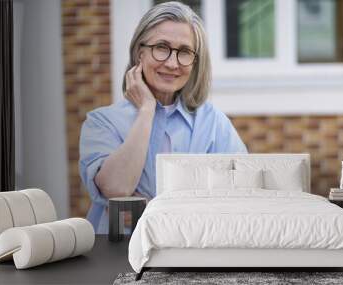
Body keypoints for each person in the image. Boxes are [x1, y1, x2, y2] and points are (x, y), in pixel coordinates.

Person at [79, 1, 247, 234]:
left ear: (195, 61)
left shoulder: (214, 123)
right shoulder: (101, 122)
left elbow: (240, 197)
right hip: (117, 255)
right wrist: (147, 109)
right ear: (140, 53)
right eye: (161, 47)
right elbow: (116, 189)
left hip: (191, 255)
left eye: (184, 52)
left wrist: (150, 211)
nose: (172, 63)